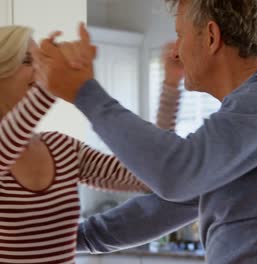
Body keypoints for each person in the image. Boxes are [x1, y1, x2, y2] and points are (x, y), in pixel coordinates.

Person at [34, 0, 257, 263]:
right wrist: (61, 240)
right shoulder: (243, 122)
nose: (177, 51)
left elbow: (176, 172)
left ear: (211, 36)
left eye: (180, 35)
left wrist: (84, 92)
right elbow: (159, 209)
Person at [0, 26, 181, 264]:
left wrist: (170, 85)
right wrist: (57, 79)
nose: (38, 69)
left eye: (39, 61)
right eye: (27, 60)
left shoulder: (61, 148)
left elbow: (149, 172)